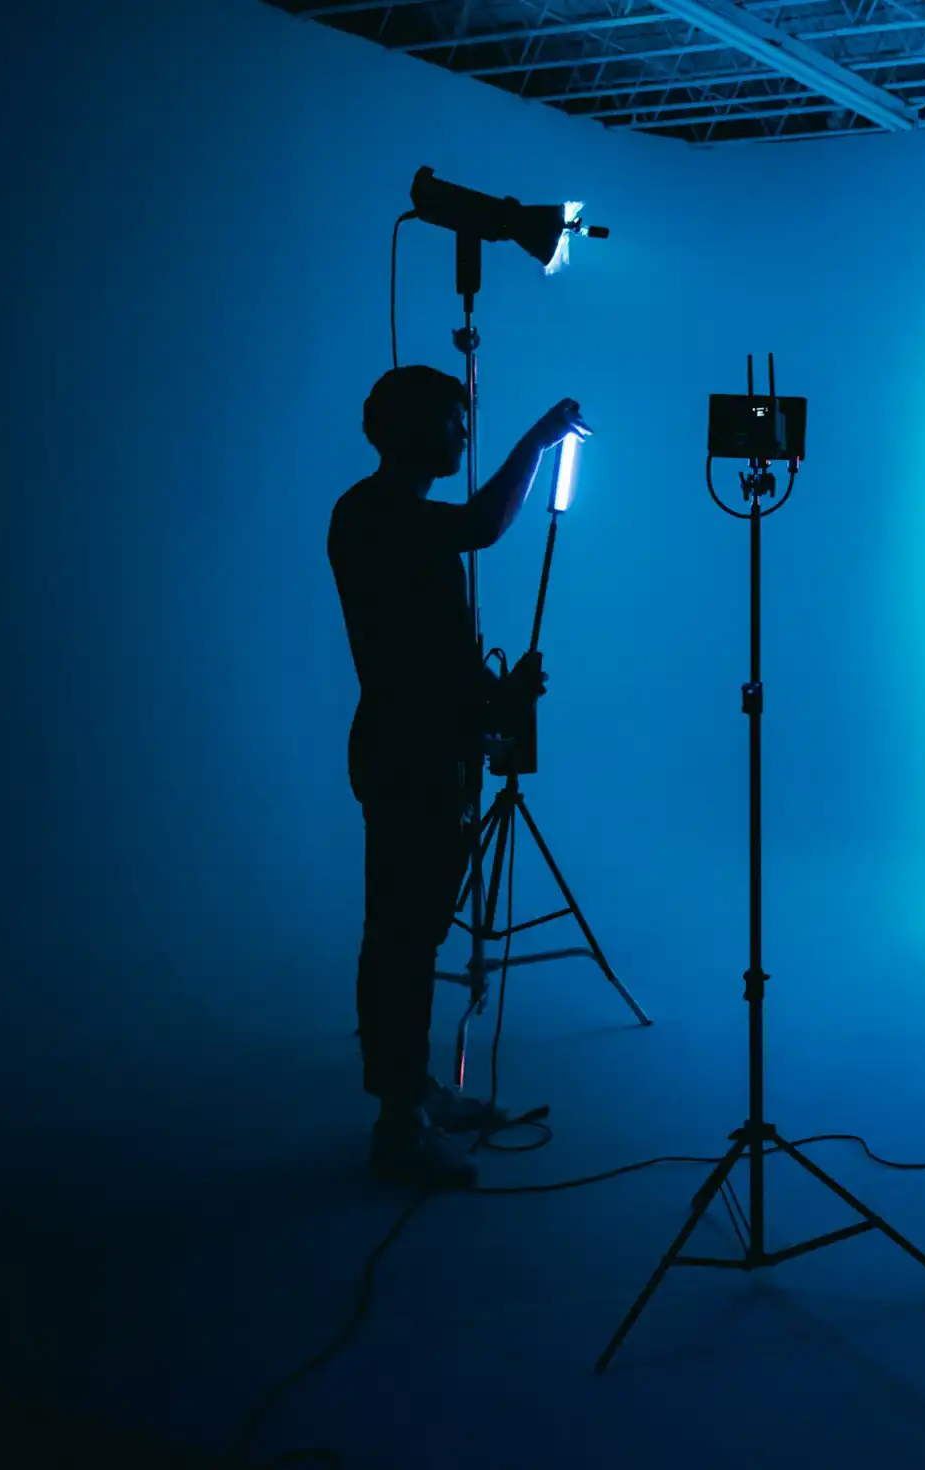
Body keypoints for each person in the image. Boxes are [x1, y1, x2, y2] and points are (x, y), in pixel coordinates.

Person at [329, 365, 587, 1188]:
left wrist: (494, 698)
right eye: (452, 420)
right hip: (408, 758)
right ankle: (399, 1125)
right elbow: (482, 524)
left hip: (433, 751)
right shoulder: (371, 515)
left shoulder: (395, 519)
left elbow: (432, 645)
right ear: (407, 428)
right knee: (402, 939)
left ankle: (416, 1091)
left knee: (417, 933)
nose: (462, 435)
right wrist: (539, 442)